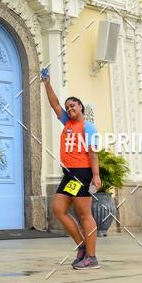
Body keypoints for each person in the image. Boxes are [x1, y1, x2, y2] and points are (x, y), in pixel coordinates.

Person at [41, 73, 101, 269]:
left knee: (84, 214)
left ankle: (91, 257)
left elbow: (93, 154)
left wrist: (96, 176)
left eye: (72, 105)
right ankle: (82, 246)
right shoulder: (67, 123)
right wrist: (47, 84)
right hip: (69, 174)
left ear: (81, 107)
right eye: (67, 107)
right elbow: (54, 104)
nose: (69, 109)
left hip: (81, 173)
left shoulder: (88, 127)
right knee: (58, 209)